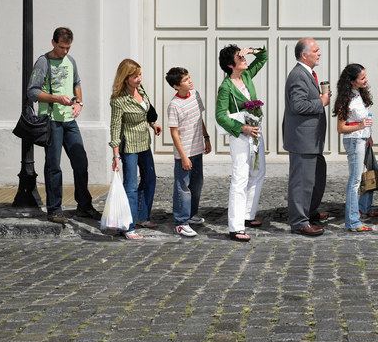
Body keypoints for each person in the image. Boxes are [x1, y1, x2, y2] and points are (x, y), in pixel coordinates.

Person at [27, 27, 100, 225]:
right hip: (51, 120)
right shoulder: (43, 62)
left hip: (70, 120)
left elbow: (77, 83)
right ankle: (54, 209)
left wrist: (79, 103)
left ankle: (84, 206)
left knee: (80, 162)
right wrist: (57, 98)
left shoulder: (71, 61)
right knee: (53, 166)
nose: (65, 51)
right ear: (53, 43)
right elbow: (32, 92)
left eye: (68, 47)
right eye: (61, 47)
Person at [216, 45, 268, 242]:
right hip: (240, 135)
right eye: (240, 57)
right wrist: (242, 128)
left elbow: (263, 57)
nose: (244, 59)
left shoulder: (246, 76)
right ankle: (235, 227)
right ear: (231, 65)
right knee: (240, 178)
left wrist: (252, 50)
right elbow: (220, 116)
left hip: (255, 131)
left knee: (258, 171)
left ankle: (247, 214)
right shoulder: (225, 87)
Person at [109, 59, 162, 240]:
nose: (139, 79)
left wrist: (152, 124)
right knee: (130, 186)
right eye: (135, 76)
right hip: (129, 146)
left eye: (140, 74)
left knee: (150, 179)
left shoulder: (140, 91)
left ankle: (141, 217)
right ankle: (128, 227)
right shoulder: (118, 100)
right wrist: (115, 156)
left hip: (144, 143)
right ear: (125, 78)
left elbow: (144, 111)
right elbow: (115, 128)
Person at [284, 38, 330, 237]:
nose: (319, 53)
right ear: (304, 55)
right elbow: (298, 106)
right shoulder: (298, 75)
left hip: (312, 139)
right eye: (316, 50)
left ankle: (309, 212)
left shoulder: (306, 73)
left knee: (316, 177)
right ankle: (299, 222)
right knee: (302, 182)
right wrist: (321, 102)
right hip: (303, 140)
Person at [166, 67, 211, 238]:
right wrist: (183, 156)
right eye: (185, 80)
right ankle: (180, 222)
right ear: (176, 86)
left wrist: (206, 138)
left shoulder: (195, 95)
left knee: (197, 184)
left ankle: (191, 215)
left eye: (189, 77)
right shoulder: (174, 105)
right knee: (182, 187)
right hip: (184, 153)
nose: (190, 81)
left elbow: (200, 119)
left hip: (197, 149)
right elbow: (174, 133)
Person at [333, 63, 375, 232]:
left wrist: (369, 135)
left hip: (363, 139)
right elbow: (341, 128)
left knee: (364, 178)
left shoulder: (360, 94)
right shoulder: (346, 99)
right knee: (355, 181)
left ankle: (362, 210)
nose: (366, 80)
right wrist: (361, 126)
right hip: (354, 141)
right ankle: (352, 221)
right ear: (352, 81)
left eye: (365, 76)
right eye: (362, 78)